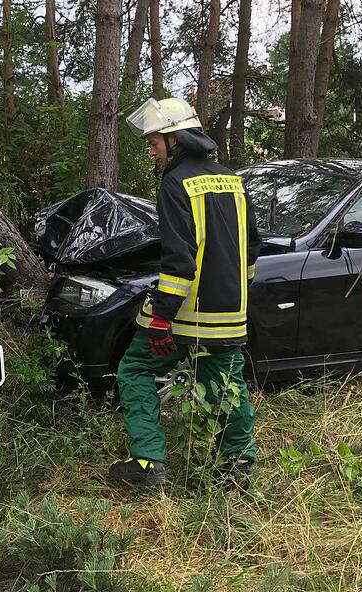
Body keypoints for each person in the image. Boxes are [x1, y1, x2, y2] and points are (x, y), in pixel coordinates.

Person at [108, 97, 261, 486]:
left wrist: (161, 319)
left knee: (136, 367)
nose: (151, 147)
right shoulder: (233, 179)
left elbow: (179, 260)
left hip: (185, 313)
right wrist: (235, 293)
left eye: (155, 140)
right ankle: (238, 465)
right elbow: (252, 249)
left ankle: (148, 465)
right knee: (227, 382)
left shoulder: (175, 184)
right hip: (229, 311)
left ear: (176, 139)